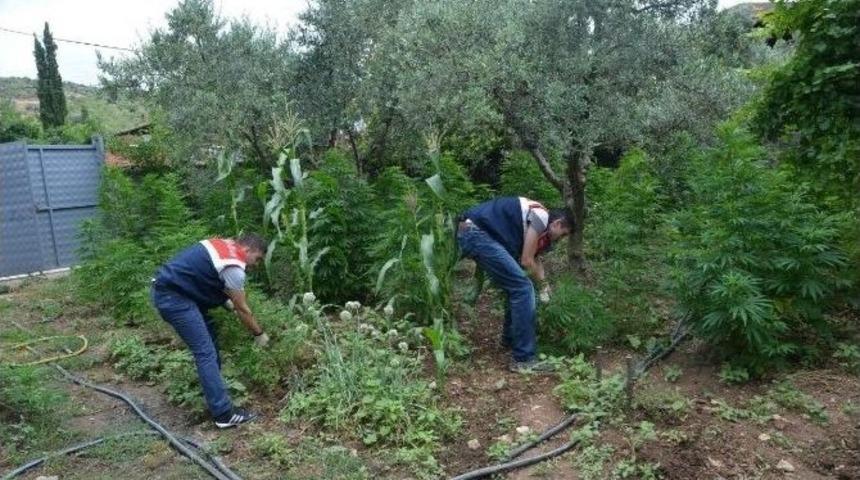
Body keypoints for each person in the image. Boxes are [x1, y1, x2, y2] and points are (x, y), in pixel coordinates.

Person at [150, 234, 269, 428]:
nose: (255, 265)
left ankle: (214, 394)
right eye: (257, 259)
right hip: (174, 298)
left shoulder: (224, 244)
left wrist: (225, 301)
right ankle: (223, 414)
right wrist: (258, 333)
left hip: (175, 291)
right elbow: (243, 309)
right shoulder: (235, 268)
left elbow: (202, 275)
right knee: (205, 352)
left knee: (210, 344)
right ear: (247, 250)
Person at [457, 197, 572, 372]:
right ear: (557, 223)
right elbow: (526, 260)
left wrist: (545, 285)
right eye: (563, 234)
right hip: (477, 233)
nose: (560, 239)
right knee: (523, 289)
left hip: (476, 232)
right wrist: (541, 285)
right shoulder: (541, 216)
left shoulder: (539, 227)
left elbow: (535, 259)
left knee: (517, 287)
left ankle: (510, 340)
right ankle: (524, 359)